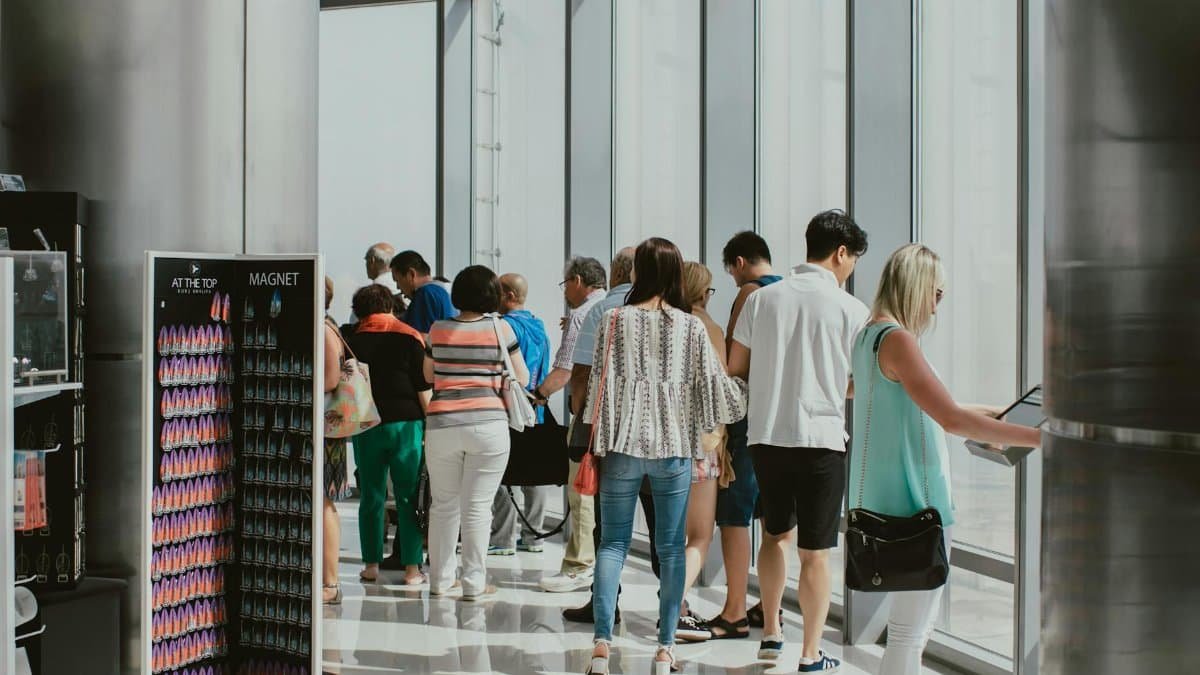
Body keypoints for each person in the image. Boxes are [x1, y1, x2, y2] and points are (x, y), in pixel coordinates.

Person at [854, 243, 1040, 674]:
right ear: (917, 287)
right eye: (936, 293)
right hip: (917, 503)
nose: (938, 307)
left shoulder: (868, 335)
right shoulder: (898, 340)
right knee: (910, 632)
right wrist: (1038, 437)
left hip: (886, 499)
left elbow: (918, 406)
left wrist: (985, 414)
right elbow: (951, 419)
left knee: (907, 629)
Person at [585, 238, 747, 675]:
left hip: (620, 445)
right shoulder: (691, 326)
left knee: (613, 543)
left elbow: (599, 385)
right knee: (672, 547)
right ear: (677, 275)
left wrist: (593, 441)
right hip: (673, 448)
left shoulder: (613, 320)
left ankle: (601, 645)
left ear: (638, 272)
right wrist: (744, 396)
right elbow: (716, 390)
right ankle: (664, 648)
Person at [728, 210, 869, 672]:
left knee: (773, 536)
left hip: (766, 436)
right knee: (815, 553)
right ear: (841, 253)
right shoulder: (852, 309)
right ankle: (810, 653)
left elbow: (737, 367)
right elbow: (858, 381)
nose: (851, 269)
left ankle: (770, 633)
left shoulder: (762, 301)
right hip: (822, 440)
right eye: (853, 260)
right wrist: (831, 384)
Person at [561, 247, 663, 624]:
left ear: (619, 272)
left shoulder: (601, 311)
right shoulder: (670, 314)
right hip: (656, 436)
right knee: (661, 527)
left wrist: (579, 412)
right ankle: (673, 608)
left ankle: (604, 606)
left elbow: (582, 373)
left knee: (610, 530)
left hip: (608, 436)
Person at [424, 265, 530, 601]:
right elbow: (523, 378)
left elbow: (429, 375)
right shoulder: (501, 329)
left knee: (443, 506)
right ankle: (473, 582)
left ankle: (440, 581)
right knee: (478, 507)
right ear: (491, 294)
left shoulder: (437, 329)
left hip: (442, 425)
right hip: (488, 425)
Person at [705, 231, 784, 639]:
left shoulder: (750, 295)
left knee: (734, 515)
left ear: (738, 262)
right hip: (784, 424)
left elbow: (734, 364)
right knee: (776, 521)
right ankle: (769, 608)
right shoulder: (788, 294)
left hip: (749, 421)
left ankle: (733, 609)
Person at [345, 285, 431, 586]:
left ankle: (371, 565)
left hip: (365, 425)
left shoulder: (351, 340)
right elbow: (423, 386)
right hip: (406, 425)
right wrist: (430, 422)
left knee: (371, 496)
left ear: (360, 310)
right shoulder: (409, 337)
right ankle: (411, 569)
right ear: (391, 307)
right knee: (408, 497)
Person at [537, 256, 608, 593]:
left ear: (578, 280)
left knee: (582, 489)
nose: (565, 290)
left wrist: (539, 394)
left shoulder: (583, 315)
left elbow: (568, 370)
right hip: (624, 421)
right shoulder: (618, 305)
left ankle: (580, 564)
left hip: (590, 418)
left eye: (565, 283)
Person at [672, 261, 727, 643]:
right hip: (701, 443)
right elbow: (720, 391)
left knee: (671, 534)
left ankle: (678, 604)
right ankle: (674, 606)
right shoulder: (708, 327)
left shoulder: (666, 322)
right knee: (700, 536)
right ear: (703, 292)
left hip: (663, 441)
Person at [488, 273, 553, 555]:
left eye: (497, 293)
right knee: (533, 475)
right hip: (535, 408)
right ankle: (534, 537)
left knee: (505, 475)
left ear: (509, 296)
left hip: (509, 409)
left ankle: (502, 539)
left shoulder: (503, 326)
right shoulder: (539, 326)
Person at [321, 276, 352, 605]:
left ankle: (330, 582)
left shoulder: (325, 329)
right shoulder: (327, 327)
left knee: (324, 501)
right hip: (324, 425)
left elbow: (330, 379)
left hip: (325, 426)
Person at [391, 250, 458, 334]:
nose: (398, 287)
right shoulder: (448, 289)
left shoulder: (425, 293)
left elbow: (418, 338)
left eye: (397, 280)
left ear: (411, 274)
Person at [349, 242, 406, 322]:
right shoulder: (407, 290)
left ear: (372, 261)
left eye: (366, 260)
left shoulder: (367, 295)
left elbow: (355, 323)